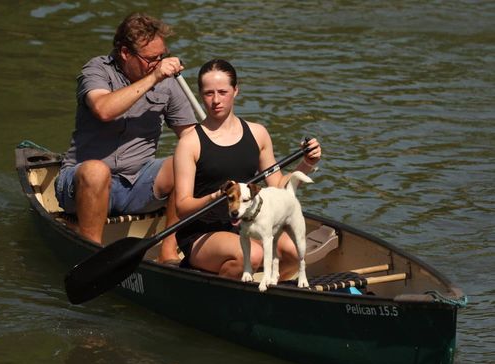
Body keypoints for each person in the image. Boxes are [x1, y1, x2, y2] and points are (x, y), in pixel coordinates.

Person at [55, 13, 197, 263]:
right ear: (124, 53)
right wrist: (153, 77)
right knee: (97, 171)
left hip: (137, 183)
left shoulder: (169, 83)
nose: (158, 64)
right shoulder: (97, 70)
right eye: (151, 59)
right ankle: (92, 253)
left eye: (161, 57)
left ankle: (168, 251)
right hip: (83, 183)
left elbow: (191, 137)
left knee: (184, 163)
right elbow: (103, 109)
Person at [173, 59, 321, 279]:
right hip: (203, 232)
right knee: (252, 255)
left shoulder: (258, 134)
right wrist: (215, 196)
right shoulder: (190, 143)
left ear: (236, 90)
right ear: (201, 94)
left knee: (293, 252)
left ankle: (268, 290)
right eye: (208, 93)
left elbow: (278, 186)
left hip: (248, 221)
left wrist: (307, 163)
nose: (215, 100)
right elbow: (182, 207)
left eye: (222, 92)